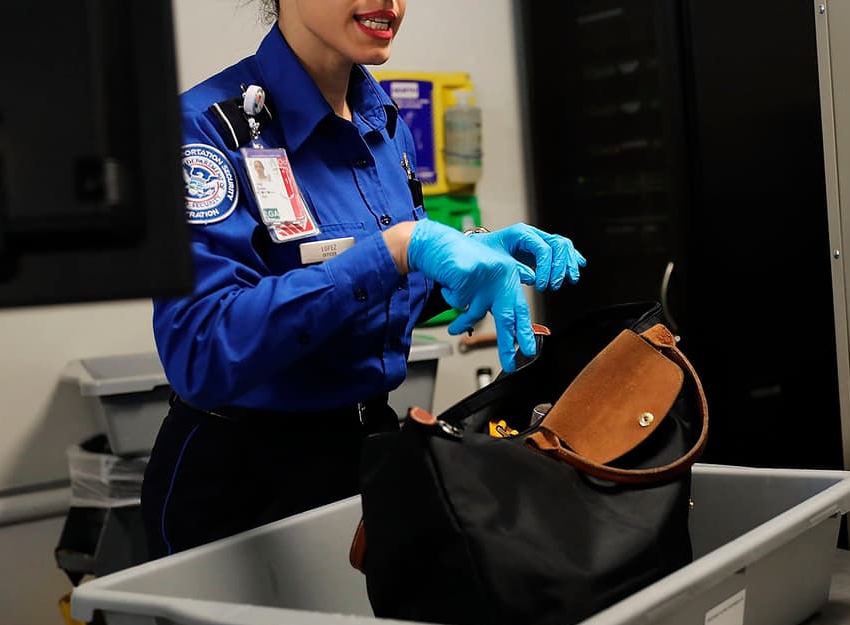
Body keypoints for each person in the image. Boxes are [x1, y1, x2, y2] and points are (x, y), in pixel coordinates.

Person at [142, 0, 586, 559]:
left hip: (364, 451)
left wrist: (465, 256)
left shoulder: (383, 123)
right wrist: (398, 249)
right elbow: (200, 349)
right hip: (242, 482)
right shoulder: (203, 130)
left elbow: (377, 295)